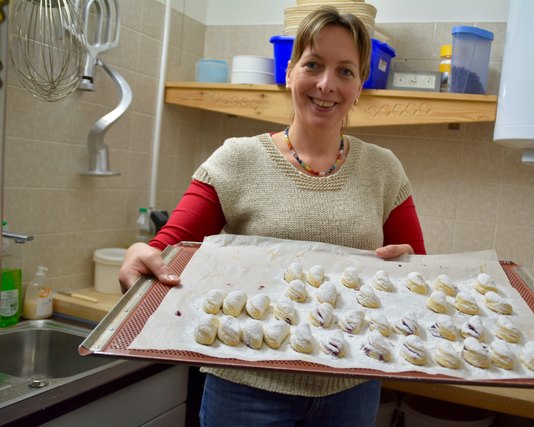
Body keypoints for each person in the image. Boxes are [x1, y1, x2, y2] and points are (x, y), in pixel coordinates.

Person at [119, 6, 425, 427]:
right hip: (245, 391)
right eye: (313, 64)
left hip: (350, 388)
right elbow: (166, 249)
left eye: (345, 71)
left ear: (359, 86)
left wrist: (408, 271)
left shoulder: (384, 168)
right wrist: (142, 251)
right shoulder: (237, 159)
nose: (326, 84)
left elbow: (419, 272)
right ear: (289, 73)